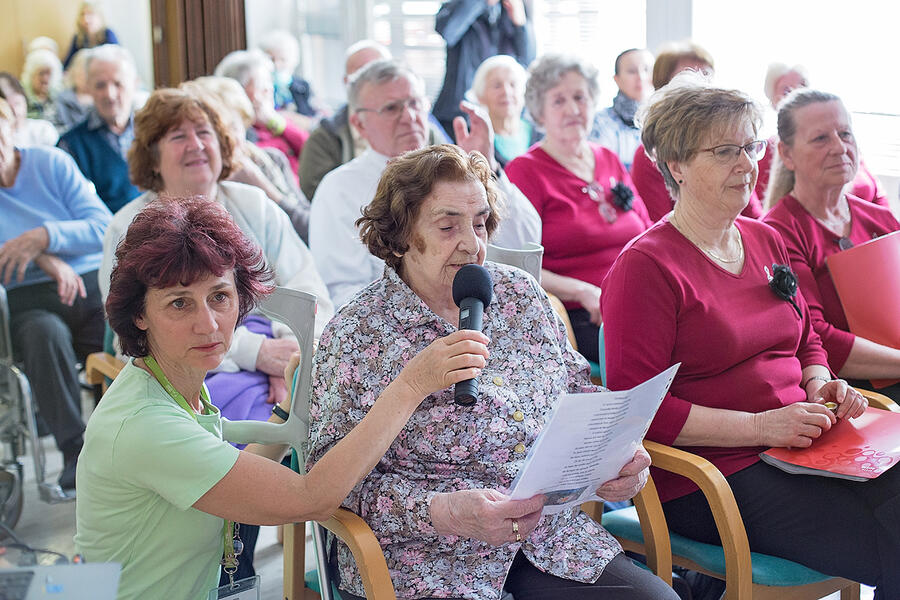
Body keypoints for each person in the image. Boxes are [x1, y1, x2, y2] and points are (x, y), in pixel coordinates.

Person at [307, 144, 676, 600]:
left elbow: (581, 394)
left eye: (480, 222)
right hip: (426, 560)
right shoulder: (358, 332)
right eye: (448, 226)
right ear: (401, 236)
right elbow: (329, 486)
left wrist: (619, 455)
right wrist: (441, 512)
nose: (472, 242)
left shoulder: (519, 293)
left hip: (549, 542)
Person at [75, 197, 489, 600]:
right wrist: (410, 386)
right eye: (179, 304)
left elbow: (228, 478)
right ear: (139, 315)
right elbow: (310, 498)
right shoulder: (146, 424)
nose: (208, 324)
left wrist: (290, 406)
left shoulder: (170, 383)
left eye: (220, 296)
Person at [601, 72, 900, 596]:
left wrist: (819, 380)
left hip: (804, 442)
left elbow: (806, 334)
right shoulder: (646, 267)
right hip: (713, 473)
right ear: (677, 165)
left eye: (751, 146)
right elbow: (639, 410)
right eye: (724, 151)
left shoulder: (765, 239)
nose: (747, 165)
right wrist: (762, 426)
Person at [310, 59, 540, 309]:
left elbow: (525, 243)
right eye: (391, 108)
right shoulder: (339, 188)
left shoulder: (459, 172)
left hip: (489, 309)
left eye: (415, 104)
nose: (409, 117)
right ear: (359, 124)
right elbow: (343, 291)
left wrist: (489, 169)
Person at [505, 54, 650, 364]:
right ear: (539, 113)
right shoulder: (524, 172)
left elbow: (647, 232)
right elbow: (518, 268)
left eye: (580, 97)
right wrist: (582, 291)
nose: (573, 109)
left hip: (642, 297)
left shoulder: (608, 158)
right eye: (559, 101)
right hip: (582, 314)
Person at [0, 98, 111, 490]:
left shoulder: (50, 164)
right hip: (24, 298)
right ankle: (76, 453)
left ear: (12, 127)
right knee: (44, 337)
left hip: (85, 284)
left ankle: (118, 445)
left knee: (117, 336)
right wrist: (44, 260)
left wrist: (44, 237)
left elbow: (102, 226)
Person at [762, 89, 900, 395]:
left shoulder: (880, 218)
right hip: (851, 391)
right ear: (786, 154)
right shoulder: (779, 232)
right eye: (821, 139)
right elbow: (817, 336)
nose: (840, 147)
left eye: (845, 133)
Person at [629, 42, 767, 222]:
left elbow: (755, 216)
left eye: (707, 75)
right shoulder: (651, 154)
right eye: (688, 75)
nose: (701, 85)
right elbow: (657, 227)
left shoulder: (738, 151)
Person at [184, 76, 311, 243]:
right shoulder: (197, 178)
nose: (227, 137)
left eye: (233, 126)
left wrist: (264, 188)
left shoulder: (271, 160)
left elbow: (312, 228)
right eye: (214, 129)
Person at [755, 63, 888, 207]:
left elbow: (878, 196)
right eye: (787, 91)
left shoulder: (843, 142)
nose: (797, 93)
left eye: (803, 86)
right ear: (772, 102)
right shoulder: (765, 153)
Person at [432, 0, 536, 139]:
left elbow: (527, 61)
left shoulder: (513, 8)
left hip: (500, 118)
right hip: (456, 115)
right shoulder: (458, 5)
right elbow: (447, 32)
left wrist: (520, 24)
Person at [58, 44, 141, 213]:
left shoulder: (155, 133)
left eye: (118, 84)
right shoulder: (71, 145)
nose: (109, 95)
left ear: (135, 84)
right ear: (88, 88)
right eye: (100, 85)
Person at [214, 50, 308, 185]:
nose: (269, 89)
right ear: (238, 90)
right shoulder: (237, 133)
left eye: (269, 81)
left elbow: (310, 150)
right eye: (261, 83)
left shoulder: (274, 121)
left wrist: (275, 122)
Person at [470, 54, 540, 167]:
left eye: (513, 84)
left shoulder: (541, 134)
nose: (506, 92)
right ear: (480, 96)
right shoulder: (475, 140)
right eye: (497, 86)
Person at [588, 48, 653, 170]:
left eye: (646, 69)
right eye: (632, 71)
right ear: (617, 79)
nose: (641, 76)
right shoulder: (599, 123)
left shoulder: (667, 122)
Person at [0, 72, 58, 146]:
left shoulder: (44, 130)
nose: (16, 112)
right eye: (8, 107)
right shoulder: (3, 141)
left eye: (18, 103)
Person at [63, 1, 119, 68]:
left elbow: (118, 59)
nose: (86, 19)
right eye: (83, 14)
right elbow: (67, 64)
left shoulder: (108, 34)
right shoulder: (78, 38)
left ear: (100, 16)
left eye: (90, 14)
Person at [54, 49, 94, 132]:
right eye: (80, 72)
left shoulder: (101, 99)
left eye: (87, 72)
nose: (83, 76)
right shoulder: (62, 98)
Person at [21, 48, 63, 121]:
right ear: (31, 75)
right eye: (41, 73)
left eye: (48, 73)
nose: (45, 78)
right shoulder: (22, 97)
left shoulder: (58, 95)